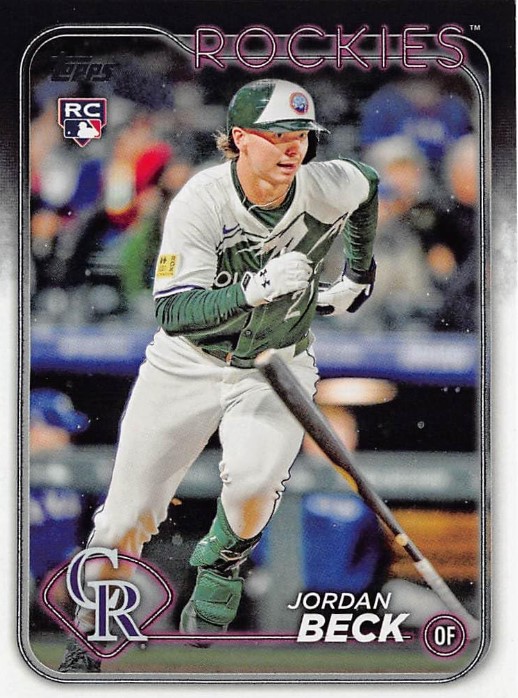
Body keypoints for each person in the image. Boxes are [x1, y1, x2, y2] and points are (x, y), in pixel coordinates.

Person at [59, 78, 379, 672]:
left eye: (302, 135)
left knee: (255, 487)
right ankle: (87, 637)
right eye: (277, 135)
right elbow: (174, 312)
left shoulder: (326, 183)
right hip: (188, 363)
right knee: (126, 517)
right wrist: (253, 289)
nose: (293, 147)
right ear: (240, 138)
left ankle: (223, 559)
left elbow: (368, 184)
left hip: (274, 365)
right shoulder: (201, 199)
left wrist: (359, 273)